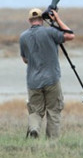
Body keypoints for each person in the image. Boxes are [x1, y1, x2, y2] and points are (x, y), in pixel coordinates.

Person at [19, 8, 74, 139]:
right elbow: (70, 35)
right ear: (42, 20)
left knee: (35, 111)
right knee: (53, 111)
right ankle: (52, 141)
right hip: (52, 79)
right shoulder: (50, 32)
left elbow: (25, 59)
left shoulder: (23, 37)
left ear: (29, 20)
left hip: (33, 80)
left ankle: (34, 129)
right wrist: (57, 19)